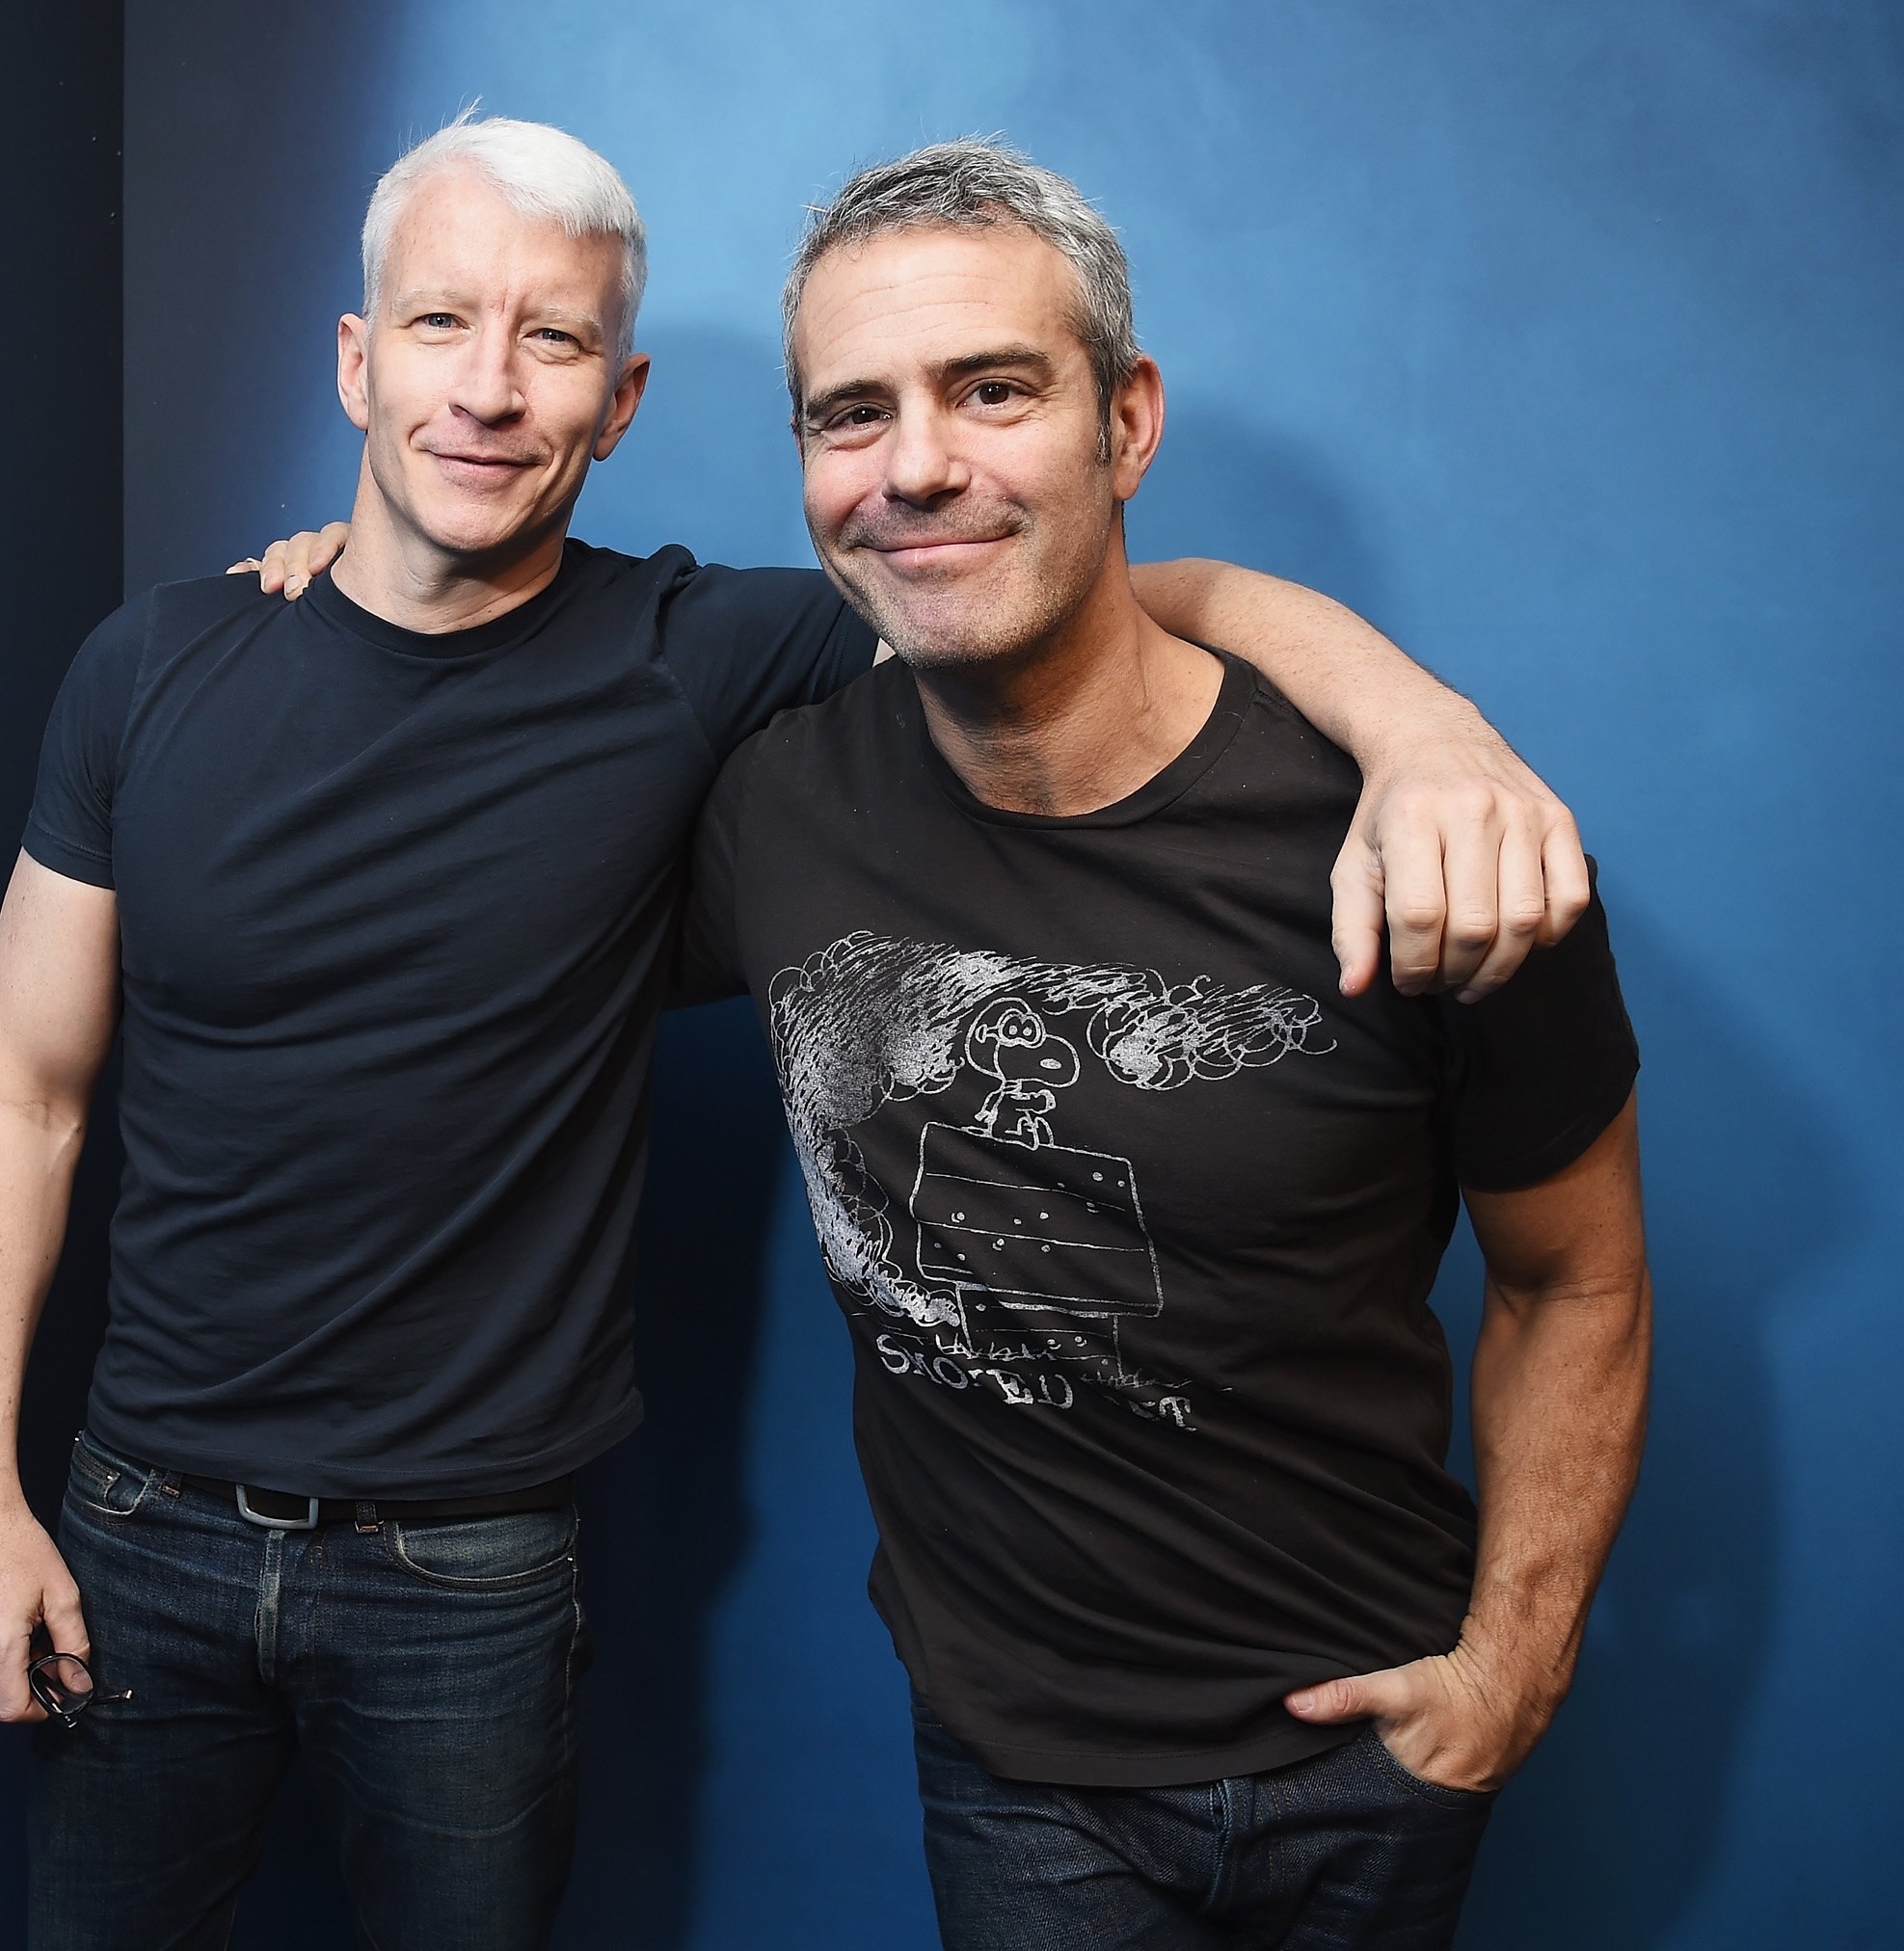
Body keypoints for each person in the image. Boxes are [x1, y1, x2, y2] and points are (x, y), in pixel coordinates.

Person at [0, 116, 1591, 1950]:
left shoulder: (711, 657)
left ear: (623, 399)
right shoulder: (160, 665)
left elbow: (1070, 591)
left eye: (551, 342)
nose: (487, 390)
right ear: (354, 356)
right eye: (436, 329)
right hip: (143, 1516)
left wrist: (1418, 722)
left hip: (470, 1564)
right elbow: (25, 1089)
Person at [674, 138, 1651, 1947]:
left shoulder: (1433, 848)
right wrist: (372, 545)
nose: (917, 467)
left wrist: (1513, 1669)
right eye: (851, 413)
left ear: (1127, 424)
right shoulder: (769, 812)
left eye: (992, 390)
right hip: (1013, 1773)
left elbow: (1574, 1285)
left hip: (1373, 1751)